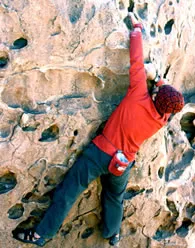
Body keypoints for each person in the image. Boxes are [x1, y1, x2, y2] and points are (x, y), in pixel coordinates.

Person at [13, 12, 184, 246]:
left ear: (155, 94)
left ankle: (42, 234)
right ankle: (112, 234)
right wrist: (161, 83)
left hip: (100, 153)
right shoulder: (162, 119)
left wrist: (137, 29)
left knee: (69, 192)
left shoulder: (138, 94)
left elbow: (136, 59)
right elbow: (168, 100)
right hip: (123, 163)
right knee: (115, 197)